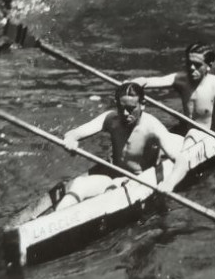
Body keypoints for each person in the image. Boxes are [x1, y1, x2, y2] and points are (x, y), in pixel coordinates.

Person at [56, 81, 184, 209]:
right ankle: (54, 219)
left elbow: (180, 160)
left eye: (130, 109)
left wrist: (170, 183)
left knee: (111, 190)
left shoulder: (152, 127)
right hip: (114, 177)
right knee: (79, 184)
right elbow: (76, 132)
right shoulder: (111, 119)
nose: (125, 114)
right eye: (121, 108)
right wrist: (71, 139)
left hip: (139, 182)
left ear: (143, 105)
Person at [134, 42, 215, 146]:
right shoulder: (180, 80)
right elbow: (147, 81)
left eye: (197, 65)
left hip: (212, 139)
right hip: (189, 138)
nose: (191, 68)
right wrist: (134, 82)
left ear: (208, 66)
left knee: (192, 134)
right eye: (189, 63)